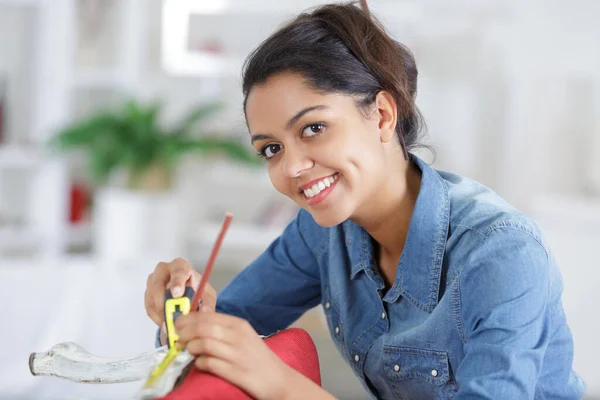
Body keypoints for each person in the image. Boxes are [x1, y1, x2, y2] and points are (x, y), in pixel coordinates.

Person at [144, 2, 586, 399]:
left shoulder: (501, 252)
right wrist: (183, 312)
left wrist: (281, 386)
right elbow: (224, 325)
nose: (291, 167)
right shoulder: (321, 233)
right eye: (271, 149)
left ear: (382, 115)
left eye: (313, 128)